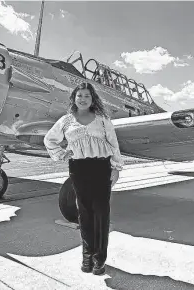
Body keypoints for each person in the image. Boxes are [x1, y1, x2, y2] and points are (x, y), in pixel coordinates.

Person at [44, 82, 124, 275]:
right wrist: (61, 154)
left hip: (101, 167)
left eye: (87, 96)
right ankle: (87, 257)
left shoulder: (103, 120)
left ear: (92, 99)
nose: (83, 99)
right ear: (73, 98)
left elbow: (113, 144)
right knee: (85, 214)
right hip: (79, 169)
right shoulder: (66, 121)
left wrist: (116, 168)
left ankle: (99, 260)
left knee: (101, 214)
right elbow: (49, 139)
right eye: (79, 95)